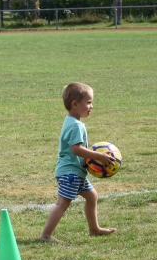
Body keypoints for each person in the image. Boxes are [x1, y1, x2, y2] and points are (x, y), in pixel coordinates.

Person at [40, 82, 117, 241]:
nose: (92, 106)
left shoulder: (72, 121)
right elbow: (76, 149)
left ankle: (94, 229)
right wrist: (99, 156)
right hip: (70, 173)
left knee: (92, 196)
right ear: (75, 104)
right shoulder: (76, 126)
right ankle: (46, 235)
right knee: (62, 204)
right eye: (88, 102)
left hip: (75, 172)